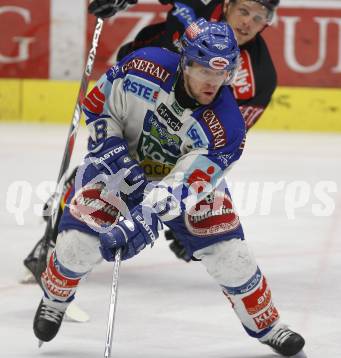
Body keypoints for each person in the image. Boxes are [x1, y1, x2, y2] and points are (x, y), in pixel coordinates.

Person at [33, 18, 306, 358]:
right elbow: (98, 106)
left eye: (222, 73)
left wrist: (143, 219)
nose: (213, 82)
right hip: (116, 169)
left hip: (179, 187)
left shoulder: (227, 127)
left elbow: (184, 186)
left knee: (232, 256)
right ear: (186, 61)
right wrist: (113, 151)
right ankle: (54, 300)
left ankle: (269, 326)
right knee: (76, 246)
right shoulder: (142, 65)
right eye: (205, 71)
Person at [22, 0, 280, 277]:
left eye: (258, 18)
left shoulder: (261, 76)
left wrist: (182, 206)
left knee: (177, 198)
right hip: (134, 99)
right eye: (243, 11)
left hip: (178, 140)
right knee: (105, 169)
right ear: (228, 4)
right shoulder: (195, 10)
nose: (247, 23)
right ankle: (52, 243)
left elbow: (221, 147)